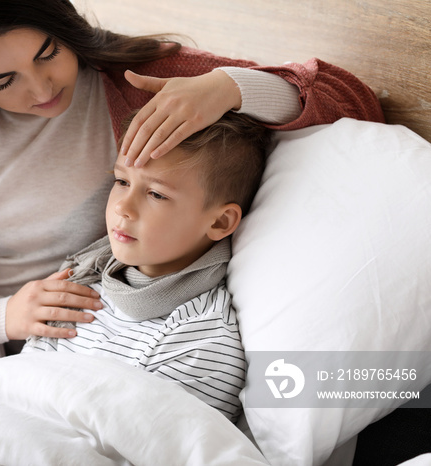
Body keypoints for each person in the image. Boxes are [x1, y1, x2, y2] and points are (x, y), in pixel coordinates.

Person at [0, 0, 384, 356]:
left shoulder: (134, 76)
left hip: (139, 328)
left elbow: (355, 103)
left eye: (49, 54)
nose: (42, 90)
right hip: (11, 339)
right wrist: (3, 317)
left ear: (65, 27)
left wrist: (233, 88)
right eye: (3, 81)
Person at [22, 111, 269, 421]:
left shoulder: (201, 339)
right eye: (122, 181)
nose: (122, 207)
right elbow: (16, 390)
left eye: (156, 193)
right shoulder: (80, 281)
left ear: (219, 221)